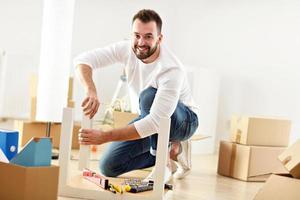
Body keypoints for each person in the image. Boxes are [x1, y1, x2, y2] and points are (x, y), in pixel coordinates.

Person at [74, 9, 199, 182]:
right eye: (137, 35)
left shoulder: (171, 69)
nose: (141, 42)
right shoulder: (126, 49)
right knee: (108, 166)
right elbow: (83, 60)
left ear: (159, 39)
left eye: (148, 36)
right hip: (149, 117)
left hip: (183, 121)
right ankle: (173, 152)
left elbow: (156, 121)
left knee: (148, 96)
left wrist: (105, 136)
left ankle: (163, 164)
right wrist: (91, 89)